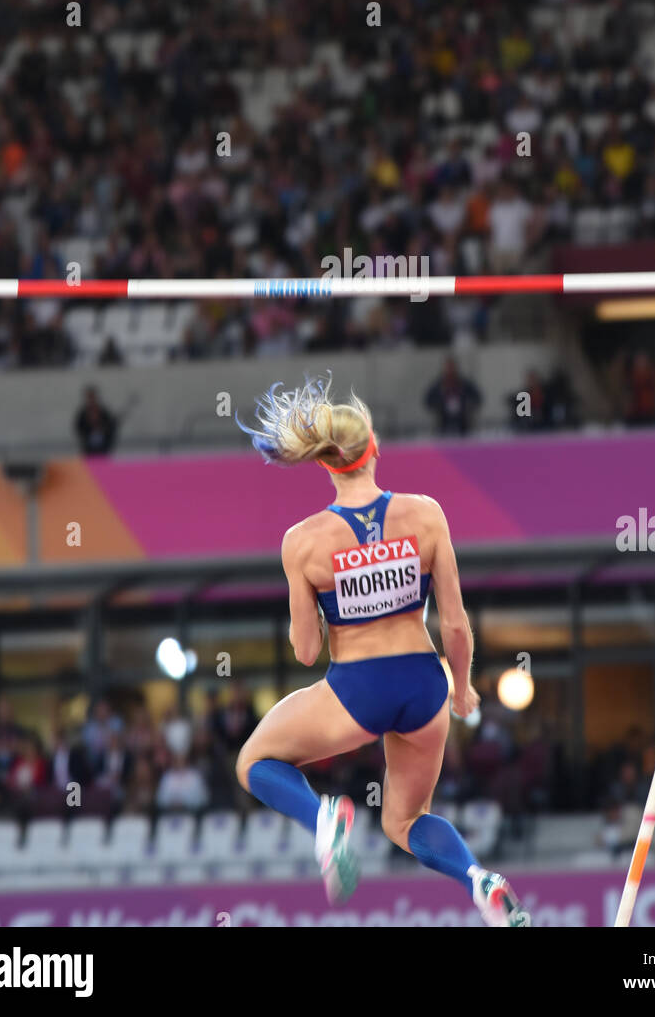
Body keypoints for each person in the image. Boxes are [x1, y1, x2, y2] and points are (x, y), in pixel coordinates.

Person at [234, 377, 524, 926]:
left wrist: (327, 600)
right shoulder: (427, 515)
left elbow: (304, 649)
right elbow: (456, 625)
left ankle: (324, 820)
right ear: (375, 450)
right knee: (406, 820)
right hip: (424, 685)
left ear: (324, 463)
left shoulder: (303, 542)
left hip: (358, 690)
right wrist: (461, 688)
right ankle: (476, 878)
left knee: (254, 760)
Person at [74, 386, 119, 455]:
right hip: (88, 447)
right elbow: (79, 428)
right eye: (89, 397)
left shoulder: (103, 411)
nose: (91, 399)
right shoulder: (83, 413)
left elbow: (111, 425)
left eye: (93, 396)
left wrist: (102, 428)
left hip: (103, 446)